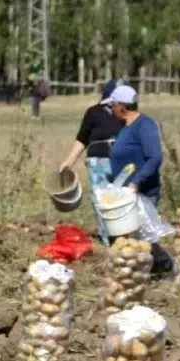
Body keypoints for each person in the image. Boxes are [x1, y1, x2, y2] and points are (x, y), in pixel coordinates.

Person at [107, 85, 172, 274]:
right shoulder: (124, 127)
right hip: (125, 194)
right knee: (132, 239)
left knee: (143, 238)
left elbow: (155, 157)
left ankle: (164, 266)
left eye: (113, 105)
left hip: (142, 192)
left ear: (122, 106)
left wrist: (137, 182)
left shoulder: (144, 124)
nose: (111, 109)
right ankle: (139, 275)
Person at [59, 78, 124, 245]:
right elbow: (82, 139)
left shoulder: (127, 114)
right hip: (98, 162)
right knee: (101, 201)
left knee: (122, 199)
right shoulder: (93, 113)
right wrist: (69, 161)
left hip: (123, 162)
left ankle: (123, 236)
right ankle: (107, 239)